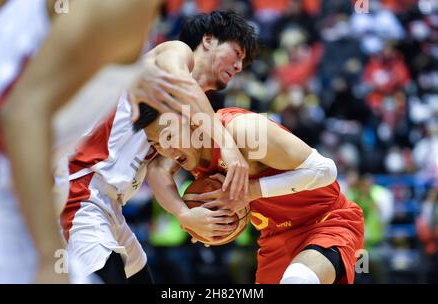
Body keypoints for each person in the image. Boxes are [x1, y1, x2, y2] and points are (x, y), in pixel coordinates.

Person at [0, 0, 221, 283]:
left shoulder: (133, 17)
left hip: (57, 187)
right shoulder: (125, 6)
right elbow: (22, 113)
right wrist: (48, 257)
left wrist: (131, 72)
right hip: (18, 182)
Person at [60, 11, 259, 283]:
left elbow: (159, 171)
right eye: (237, 53)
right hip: (79, 189)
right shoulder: (174, 54)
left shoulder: (198, 112)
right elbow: (182, 83)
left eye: (243, 63)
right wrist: (228, 146)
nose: (239, 66)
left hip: (110, 204)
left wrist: (185, 214)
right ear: (209, 40)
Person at [142, 106, 365, 284]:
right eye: (155, 143)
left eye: (168, 136)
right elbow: (156, 170)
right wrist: (185, 216)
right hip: (275, 238)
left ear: (191, 120)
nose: (166, 150)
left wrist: (251, 191)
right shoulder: (184, 148)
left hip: (327, 221)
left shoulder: (244, 131)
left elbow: (325, 170)